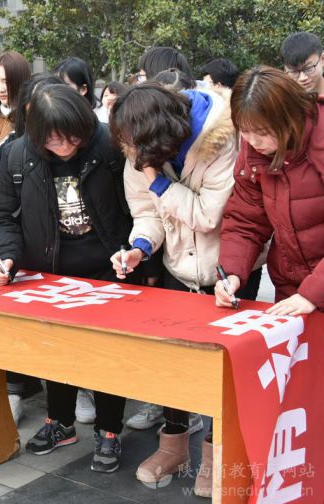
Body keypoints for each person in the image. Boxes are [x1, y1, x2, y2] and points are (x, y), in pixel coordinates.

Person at [107, 83, 261, 495]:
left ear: (162, 137)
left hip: (231, 268)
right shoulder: (140, 149)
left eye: (138, 151)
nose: (134, 157)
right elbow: (147, 213)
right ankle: (173, 447)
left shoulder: (223, 139)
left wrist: (158, 182)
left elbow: (209, 217)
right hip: (178, 267)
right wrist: (139, 248)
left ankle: (217, 452)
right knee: (173, 361)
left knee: (227, 369)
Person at [0, 84, 135, 473]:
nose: (66, 145)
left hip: (110, 268)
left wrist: (139, 258)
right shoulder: (17, 154)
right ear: (36, 133)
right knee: (57, 349)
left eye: (73, 136)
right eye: (54, 139)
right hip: (52, 271)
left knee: (107, 352)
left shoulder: (109, 146)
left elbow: (137, 207)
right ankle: (60, 422)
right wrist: (7, 255)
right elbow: (2, 216)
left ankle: (109, 429)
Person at [217, 66, 324, 317]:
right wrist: (231, 273)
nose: (253, 141)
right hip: (292, 289)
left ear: (289, 118)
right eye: (245, 131)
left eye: (263, 132)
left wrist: (313, 292)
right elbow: (245, 220)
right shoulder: (254, 152)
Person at [281, 32, 324, 96]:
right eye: (294, 72)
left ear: (322, 60)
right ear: (285, 70)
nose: (302, 78)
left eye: (309, 68)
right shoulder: (284, 100)